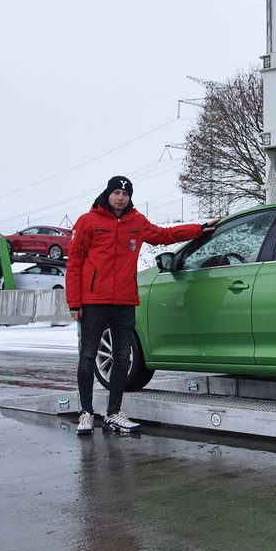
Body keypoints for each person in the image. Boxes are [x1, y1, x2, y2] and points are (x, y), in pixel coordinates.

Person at [67, 175, 217, 435]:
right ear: (108, 194)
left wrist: (198, 229)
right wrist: (75, 302)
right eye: (116, 193)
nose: (120, 198)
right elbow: (75, 263)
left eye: (125, 194)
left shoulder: (136, 222)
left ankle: (114, 413)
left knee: (122, 358)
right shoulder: (88, 222)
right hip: (94, 301)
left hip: (125, 300)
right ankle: (87, 413)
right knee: (89, 355)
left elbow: (164, 235)